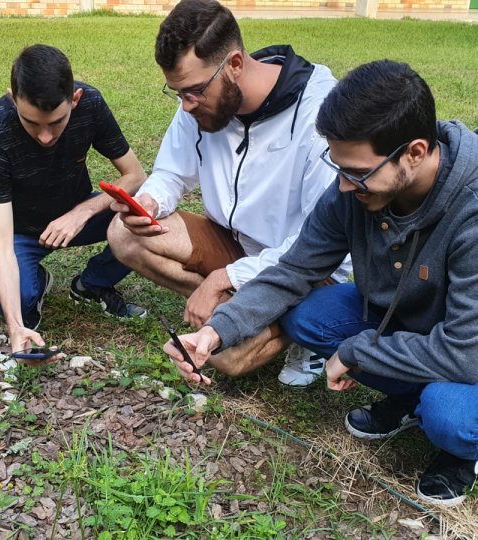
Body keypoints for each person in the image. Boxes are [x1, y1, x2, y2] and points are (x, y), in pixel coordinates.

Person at [164, 60, 478, 506]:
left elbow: (466, 354)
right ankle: (411, 396)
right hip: (416, 320)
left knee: (449, 415)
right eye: (339, 167)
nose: (345, 188)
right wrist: (217, 330)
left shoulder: (472, 210)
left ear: (414, 152)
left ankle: (460, 449)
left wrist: (355, 351)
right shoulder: (354, 187)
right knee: (310, 317)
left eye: (357, 173)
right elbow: (294, 270)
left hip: (470, 348)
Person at [107, 0, 350, 386]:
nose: (187, 105)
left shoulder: (320, 113)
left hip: (305, 268)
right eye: (178, 93)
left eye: (193, 92)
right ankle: (238, 315)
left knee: (228, 358)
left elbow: (318, 246)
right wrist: (151, 200)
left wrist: (223, 277)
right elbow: (172, 170)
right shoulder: (202, 96)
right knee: (123, 234)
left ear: (235, 64)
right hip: (234, 242)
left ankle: (297, 327)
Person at [0, 44, 147, 356]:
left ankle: (93, 283)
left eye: (56, 122)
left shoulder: (91, 104)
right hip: (21, 231)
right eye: (31, 122)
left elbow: (135, 176)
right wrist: (15, 327)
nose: (45, 136)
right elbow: (2, 243)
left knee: (147, 216)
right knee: (11, 304)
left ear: (75, 100)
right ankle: (36, 282)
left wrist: (83, 211)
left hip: (79, 215)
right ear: (13, 100)